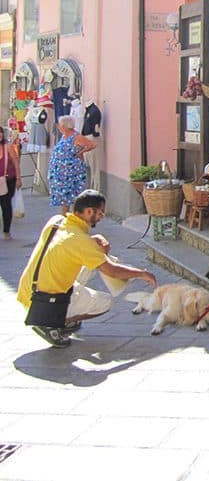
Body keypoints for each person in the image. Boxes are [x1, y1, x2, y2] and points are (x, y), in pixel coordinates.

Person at [17, 190, 158, 348]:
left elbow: (66, 244)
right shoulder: (80, 242)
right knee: (105, 302)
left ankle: (57, 316)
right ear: (89, 211)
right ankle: (50, 323)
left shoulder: (56, 221)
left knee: (90, 263)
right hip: (44, 300)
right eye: (101, 213)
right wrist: (142, 274)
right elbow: (111, 270)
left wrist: (93, 239)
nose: (101, 217)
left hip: (28, 289)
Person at [48, 115, 96, 215]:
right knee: (65, 195)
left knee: (70, 194)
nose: (59, 127)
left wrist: (80, 152)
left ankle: (67, 216)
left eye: (60, 125)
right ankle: (66, 215)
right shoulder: (64, 136)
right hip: (62, 172)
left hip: (71, 171)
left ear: (65, 126)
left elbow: (92, 144)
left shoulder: (76, 136)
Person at [0, 127, 22, 239]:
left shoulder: (7, 147)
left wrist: (18, 178)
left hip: (8, 180)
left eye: (0, 133)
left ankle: (6, 231)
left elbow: (16, 162)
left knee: (6, 205)